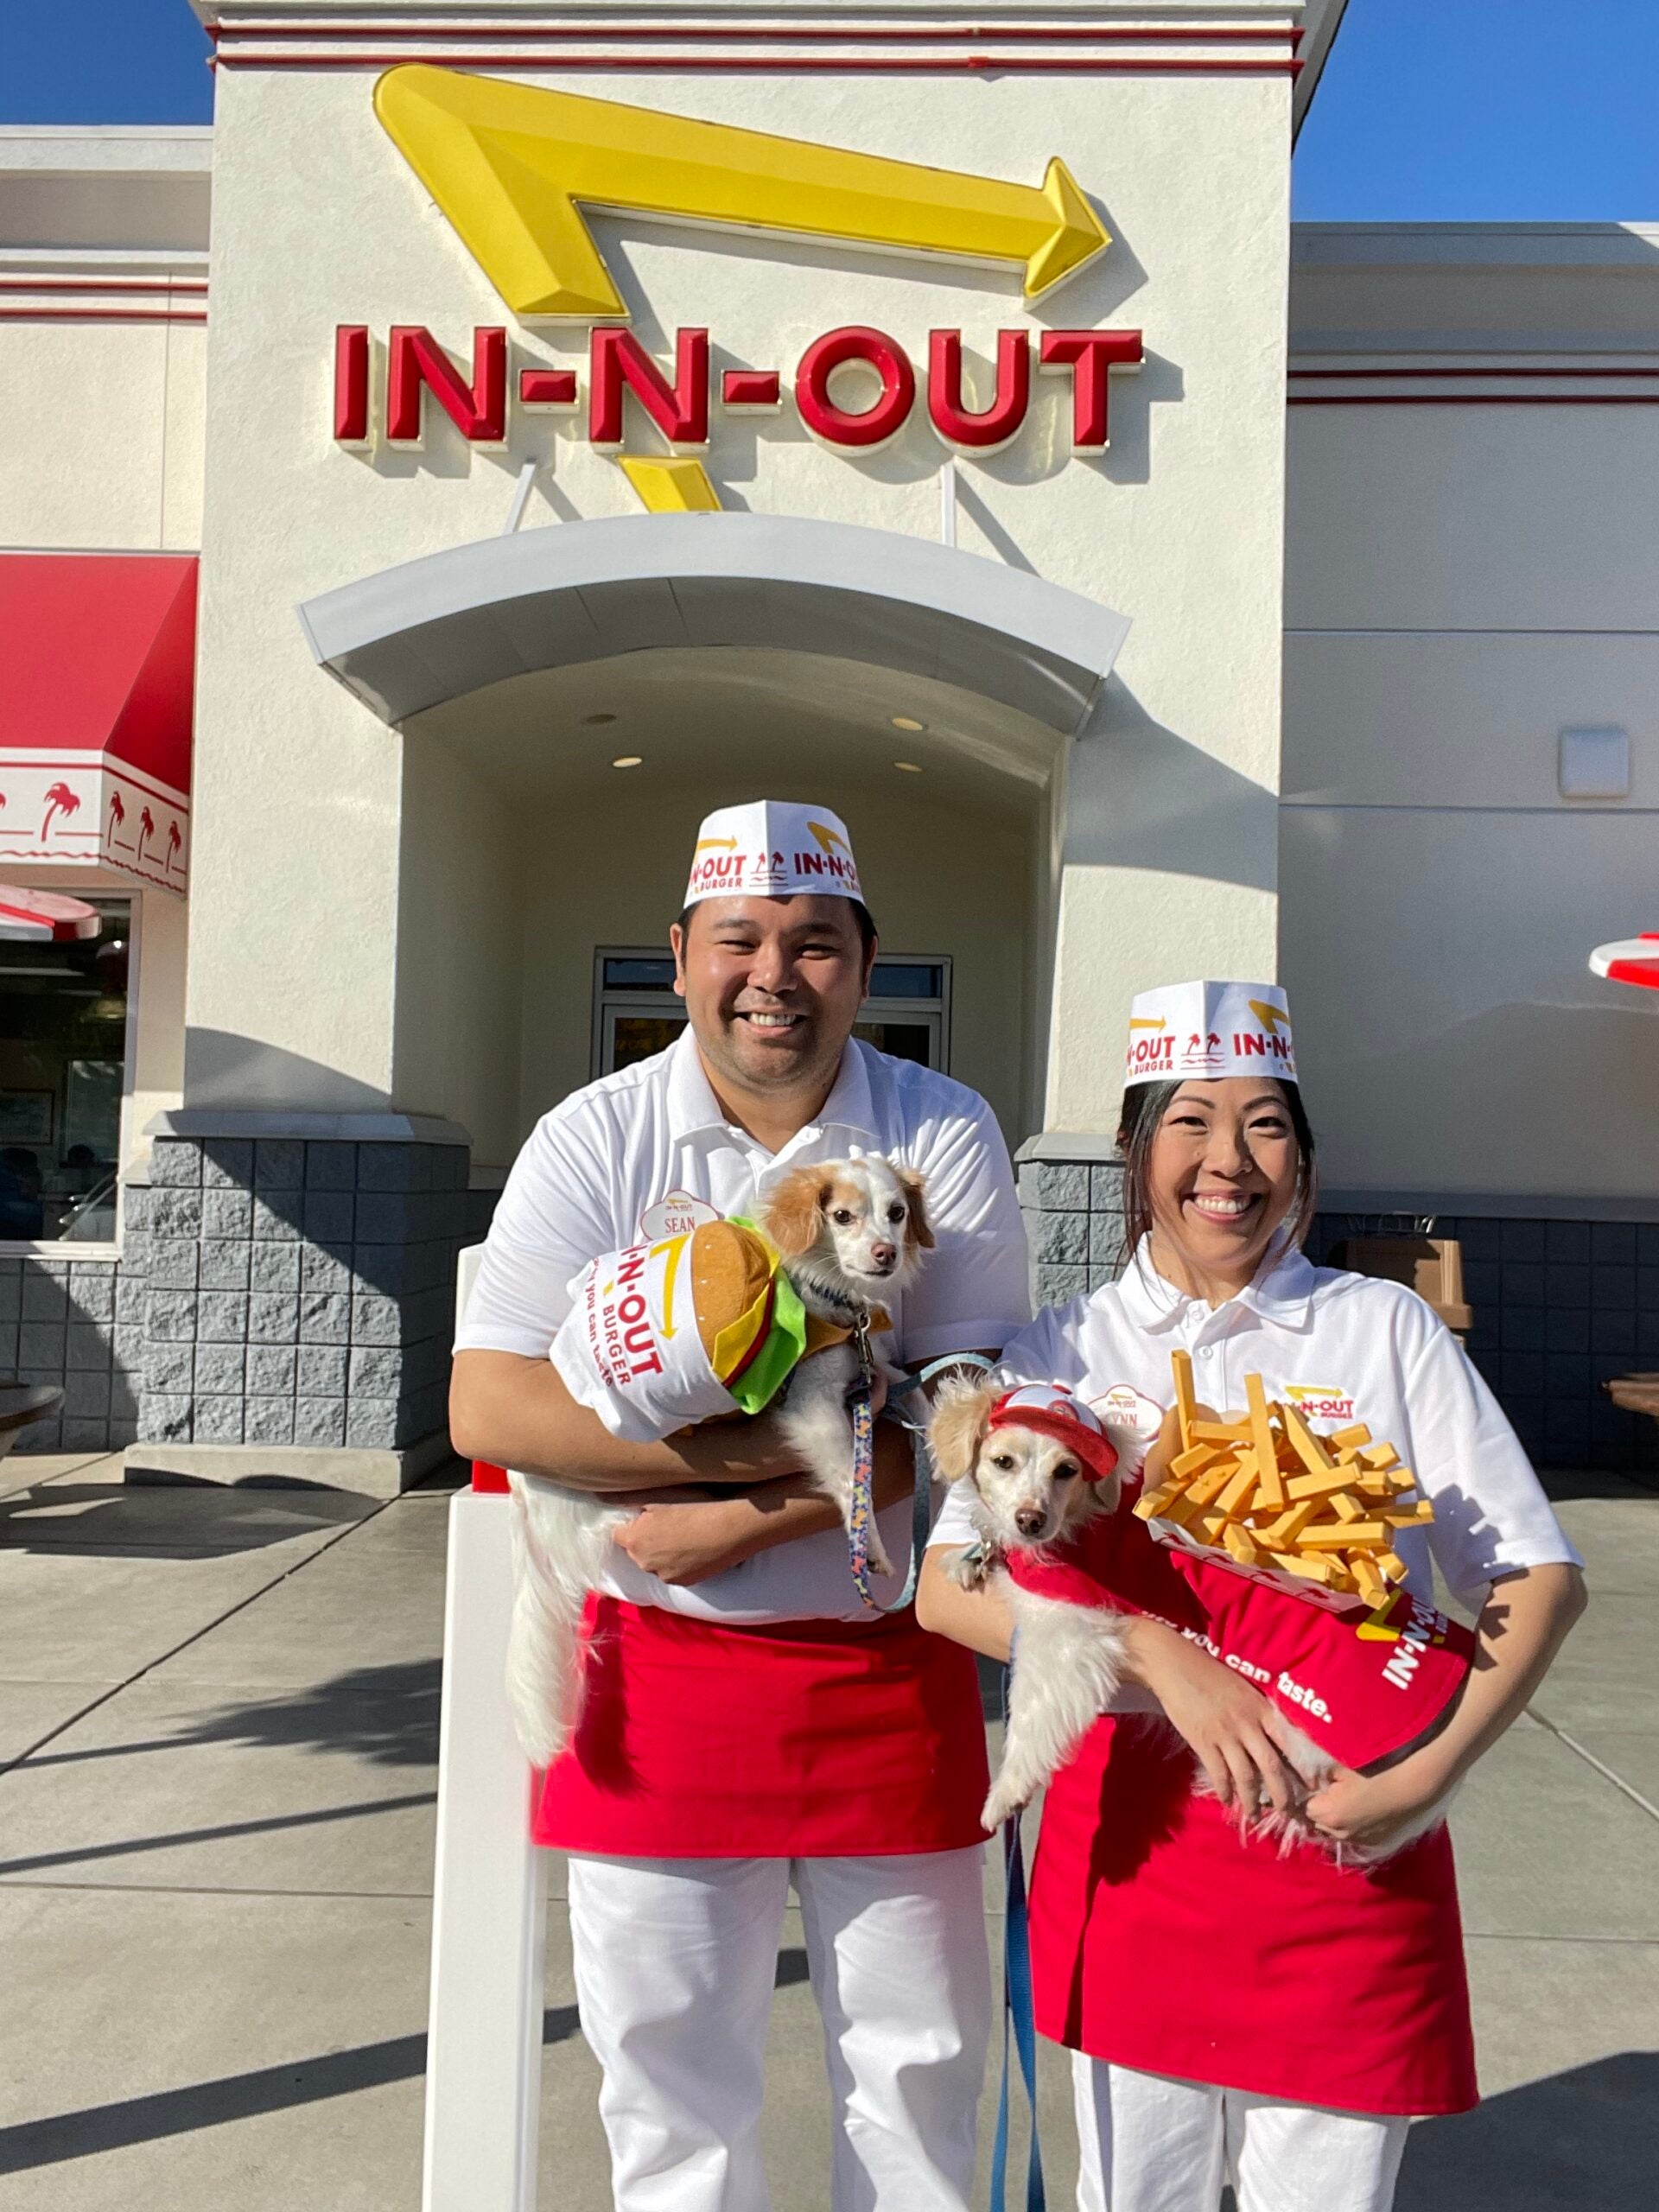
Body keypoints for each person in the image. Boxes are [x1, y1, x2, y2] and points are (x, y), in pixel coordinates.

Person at [919, 978, 1586, 2212]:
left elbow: (1538, 1576)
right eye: (1190, 1121)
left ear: (1305, 1159)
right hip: (1136, 1859)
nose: (1229, 1161)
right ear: (1135, 1151)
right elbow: (945, 1593)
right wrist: (1159, 1657)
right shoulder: (1061, 1348)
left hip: (1348, 1843)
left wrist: (1426, 1781)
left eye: (1266, 1123)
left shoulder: (1381, 1329)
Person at [451, 798, 1030, 2212]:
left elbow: (976, 1432)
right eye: (742, 940)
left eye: (815, 943)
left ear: (866, 961)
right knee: (666, 2095)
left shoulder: (936, 1131)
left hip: (892, 1667)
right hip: (650, 1672)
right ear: (680, 955)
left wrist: (746, 1517)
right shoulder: (597, 1135)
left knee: (917, 2082)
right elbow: (491, 1407)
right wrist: (733, 1479)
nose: (775, 973)